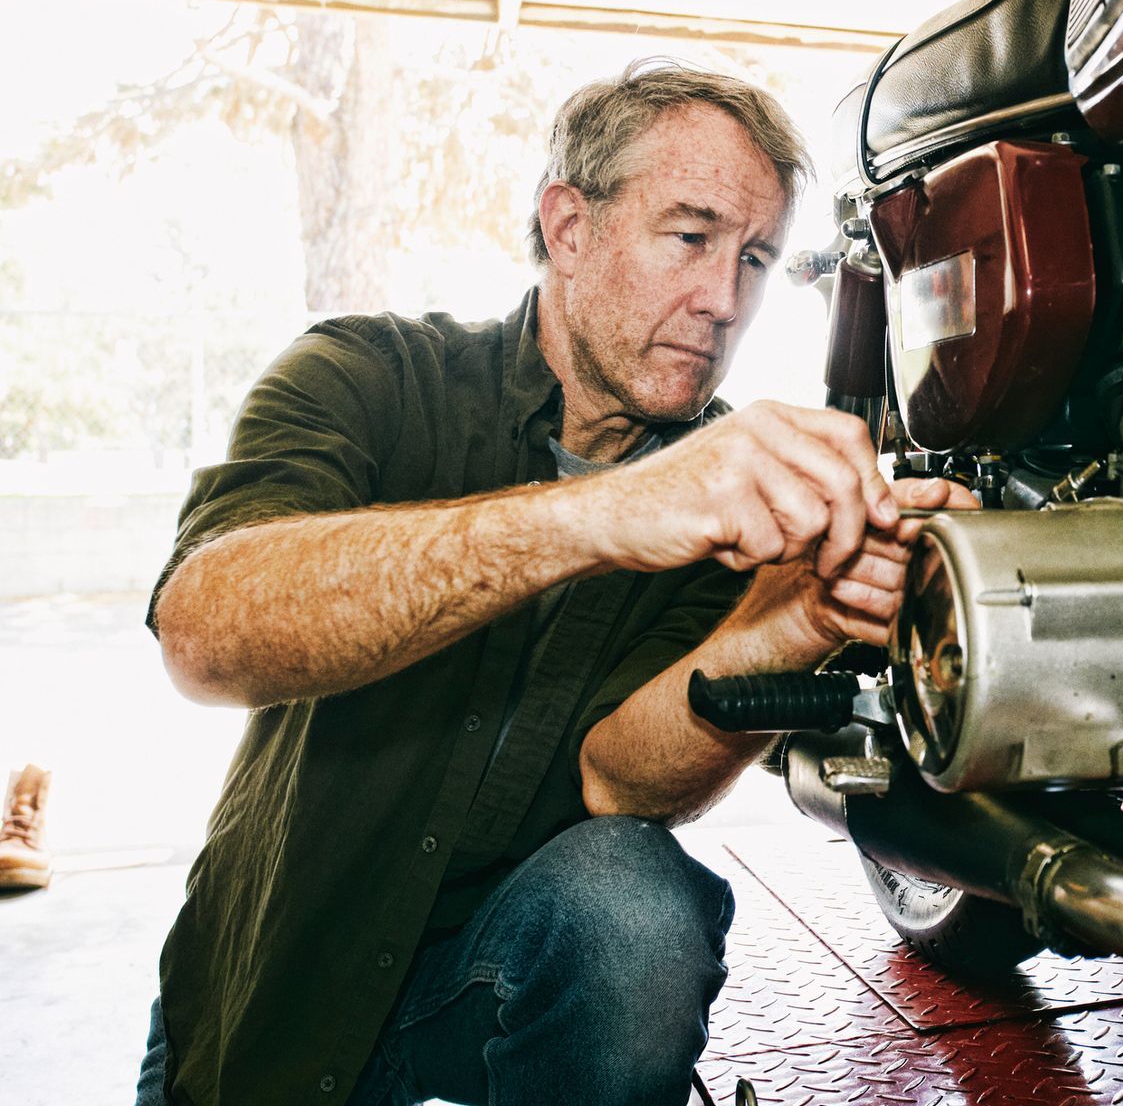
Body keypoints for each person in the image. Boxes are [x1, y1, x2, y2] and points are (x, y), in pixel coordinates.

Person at [135, 61, 970, 1106]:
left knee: (634, 901)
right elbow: (207, 631)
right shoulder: (368, 375)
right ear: (569, 226)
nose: (724, 300)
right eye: (691, 235)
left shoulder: (733, 499)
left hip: (488, 975)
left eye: (755, 256)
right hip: (271, 988)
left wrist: (795, 614)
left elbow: (624, 780)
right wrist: (604, 513)